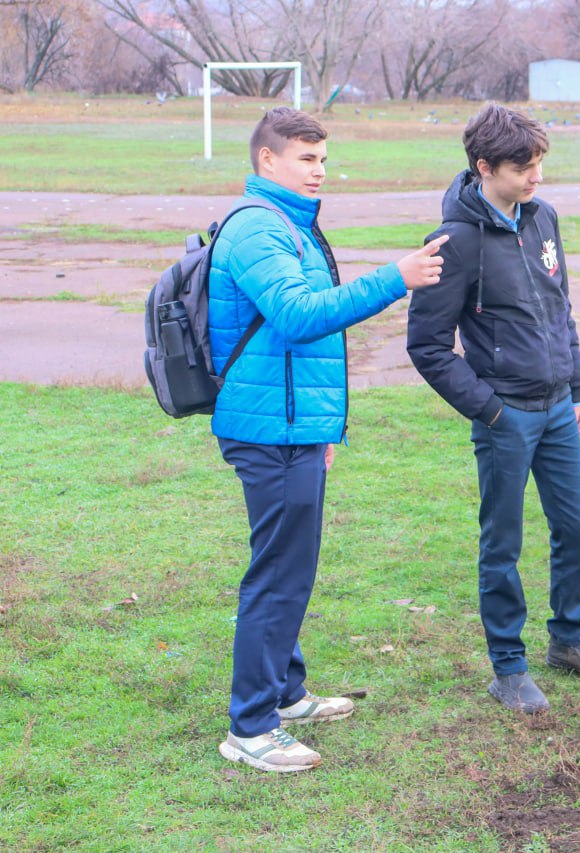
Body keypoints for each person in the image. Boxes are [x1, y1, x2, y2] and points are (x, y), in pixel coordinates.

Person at [210, 106, 448, 772]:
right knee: (278, 575)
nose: (320, 170)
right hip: (269, 429)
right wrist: (392, 279)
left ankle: (283, 693)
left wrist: (323, 430)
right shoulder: (259, 229)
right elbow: (298, 316)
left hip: (292, 426)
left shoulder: (290, 225)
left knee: (289, 567)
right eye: (306, 158)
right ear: (268, 161)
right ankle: (250, 728)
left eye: (323, 158)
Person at [406, 103, 580, 714]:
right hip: (506, 415)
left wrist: (576, 389)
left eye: (539, 164)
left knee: (574, 528)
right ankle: (508, 666)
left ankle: (570, 642)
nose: (535, 177)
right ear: (484, 167)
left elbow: (560, 309)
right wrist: (491, 409)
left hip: (557, 408)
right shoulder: (454, 243)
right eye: (523, 167)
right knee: (502, 543)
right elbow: (426, 346)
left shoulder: (544, 218)